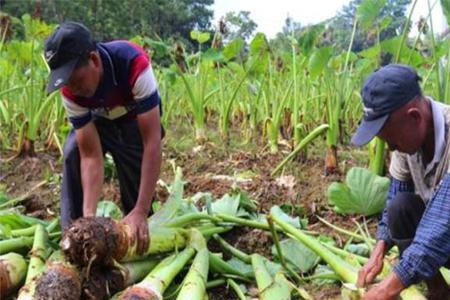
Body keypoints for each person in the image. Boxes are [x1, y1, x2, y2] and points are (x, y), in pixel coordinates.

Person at [44, 22, 163, 255]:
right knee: (73, 151)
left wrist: (140, 209)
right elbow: (90, 156)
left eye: (76, 81)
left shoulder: (132, 63)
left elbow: (152, 142)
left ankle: (139, 214)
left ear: (94, 60)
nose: (72, 88)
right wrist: (89, 221)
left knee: (137, 200)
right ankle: (74, 235)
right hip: (99, 120)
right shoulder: (70, 90)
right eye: (67, 83)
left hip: (133, 119)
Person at [352, 64, 450, 299]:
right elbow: (395, 200)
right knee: (401, 207)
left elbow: (441, 223)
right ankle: (440, 292)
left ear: (414, 117)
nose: (391, 147)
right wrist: (379, 251)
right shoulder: (407, 142)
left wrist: (387, 289)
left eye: (391, 138)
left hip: (445, 229)